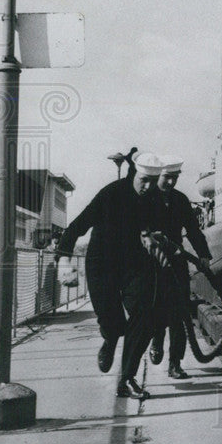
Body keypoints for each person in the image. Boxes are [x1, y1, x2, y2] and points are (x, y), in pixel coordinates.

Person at [55, 152, 166, 399]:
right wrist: (64, 259)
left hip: (134, 265)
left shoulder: (155, 198)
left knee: (144, 312)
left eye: (153, 181)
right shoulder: (111, 194)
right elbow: (77, 225)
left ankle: (126, 378)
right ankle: (109, 339)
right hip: (101, 263)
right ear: (134, 174)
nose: (148, 187)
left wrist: (152, 233)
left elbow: (158, 226)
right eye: (144, 180)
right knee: (113, 323)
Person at [149, 156, 213, 380]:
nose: (170, 183)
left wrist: (203, 255)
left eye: (174, 178)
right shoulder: (147, 198)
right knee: (156, 310)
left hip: (177, 262)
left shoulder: (180, 200)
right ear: (158, 175)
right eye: (167, 177)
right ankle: (156, 339)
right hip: (152, 262)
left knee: (179, 313)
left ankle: (175, 364)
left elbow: (194, 231)